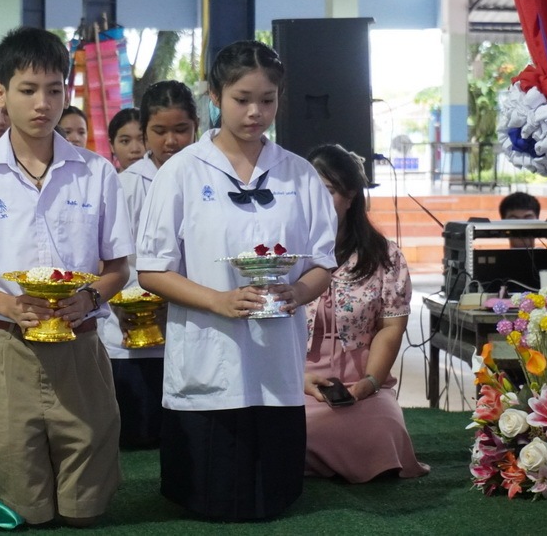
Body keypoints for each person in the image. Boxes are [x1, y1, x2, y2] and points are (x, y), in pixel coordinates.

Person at [0, 27, 131, 527]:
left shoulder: (96, 172)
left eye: (54, 90)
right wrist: (8, 305)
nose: (43, 103)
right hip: (5, 349)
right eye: (28, 89)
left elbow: (118, 268)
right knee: (24, 510)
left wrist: (90, 299)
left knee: (87, 506)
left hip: (81, 347)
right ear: (1, 93)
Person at [136, 40, 337, 521]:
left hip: (276, 351)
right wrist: (217, 301)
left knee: (275, 498)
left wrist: (298, 291)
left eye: (267, 100)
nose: (255, 112)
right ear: (214, 96)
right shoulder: (181, 172)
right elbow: (152, 270)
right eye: (241, 99)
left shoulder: (299, 174)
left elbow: (322, 263)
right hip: (209, 347)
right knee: (211, 496)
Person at [302, 144, 430, 483]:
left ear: (350, 196)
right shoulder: (284, 253)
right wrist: (297, 380)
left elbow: (390, 328)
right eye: (310, 190)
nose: (316, 200)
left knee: (382, 433)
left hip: (361, 386)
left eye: (328, 191)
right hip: (296, 383)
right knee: (287, 428)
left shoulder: (385, 256)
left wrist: (369, 383)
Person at [100, 80, 198, 449]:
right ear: (144, 133)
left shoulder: (208, 177)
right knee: (137, 439)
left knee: (184, 435)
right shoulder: (125, 185)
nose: (171, 141)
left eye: (181, 129)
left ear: (196, 127)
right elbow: (111, 257)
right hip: (132, 325)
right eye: (159, 131)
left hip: (195, 318)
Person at [108, 107, 144, 172]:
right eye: (125, 141)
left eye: (142, 140)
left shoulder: (162, 177)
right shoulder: (106, 178)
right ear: (112, 146)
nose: (135, 149)